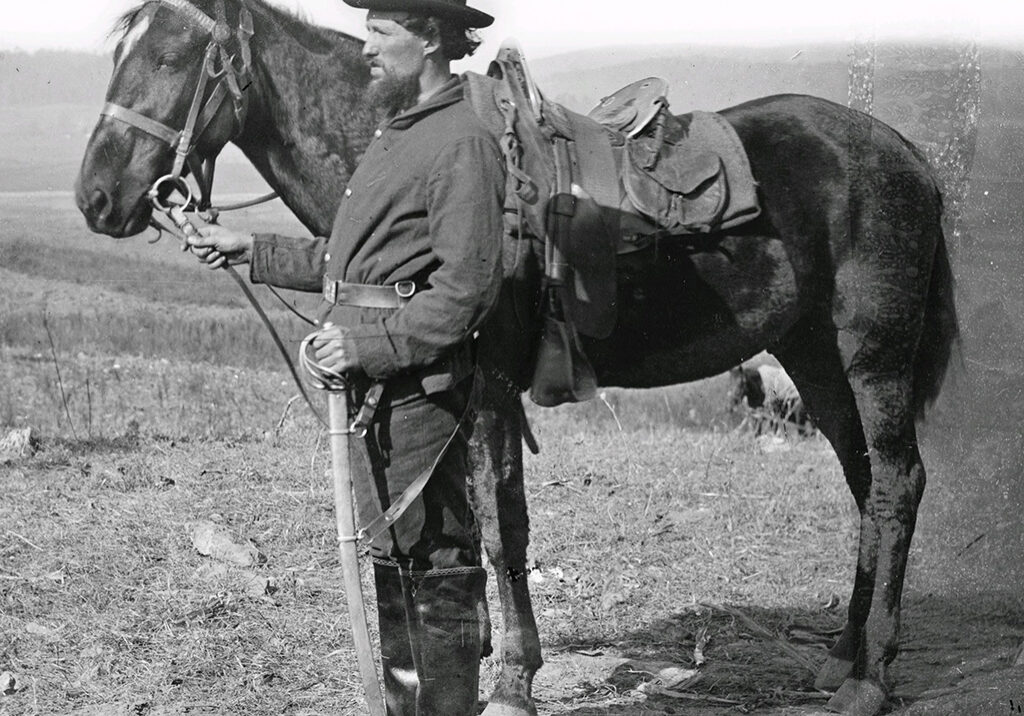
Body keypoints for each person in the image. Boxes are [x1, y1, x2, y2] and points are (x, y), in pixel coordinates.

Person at [187, 1, 503, 713]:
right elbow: (353, 260)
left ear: (428, 39)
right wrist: (253, 249)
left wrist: (366, 343)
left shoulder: (460, 142)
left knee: (438, 559)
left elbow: (469, 289)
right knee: (394, 552)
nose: (364, 47)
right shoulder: (399, 133)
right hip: (374, 386)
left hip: (420, 386)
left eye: (381, 32)